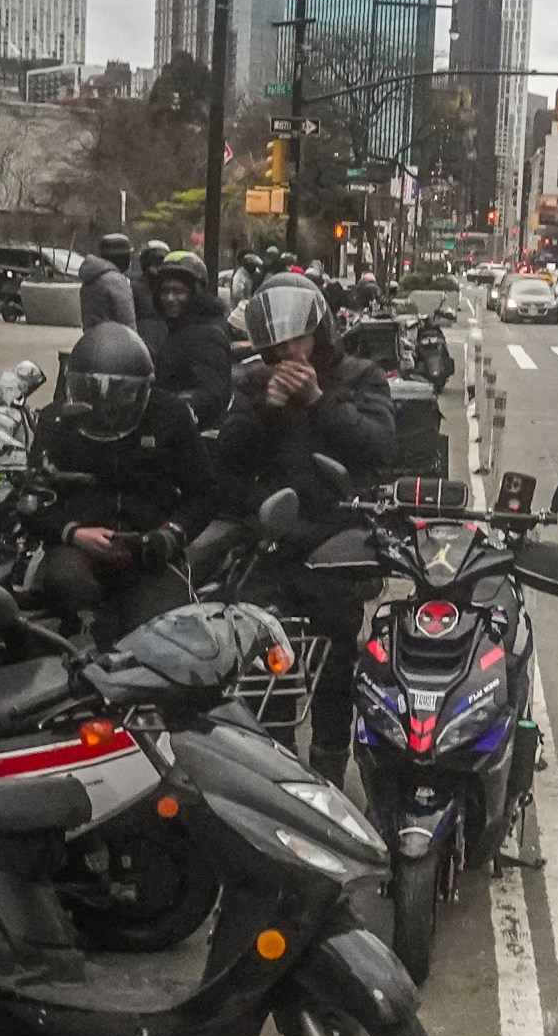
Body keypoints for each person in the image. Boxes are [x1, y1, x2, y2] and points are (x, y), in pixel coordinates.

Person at [216, 276, 397, 783]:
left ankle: (328, 773)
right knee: (263, 661)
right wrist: (264, 410)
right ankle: (271, 772)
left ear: (318, 333)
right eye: (277, 345)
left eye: (297, 341)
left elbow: (379, 448)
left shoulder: (359, 377)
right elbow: (228, 458)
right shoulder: (252, 382)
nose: (288, 352)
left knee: (335, 663)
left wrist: (319, 400)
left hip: (337, 541)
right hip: (272, 542)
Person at [32, 322, 215, 637]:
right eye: (93, 394)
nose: (106, 409)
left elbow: (204, 493)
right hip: (77, 548)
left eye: (120, 396)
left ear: (143, 391)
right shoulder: (57, 421)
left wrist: (169, 535)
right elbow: (33, 498)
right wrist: (72, 533)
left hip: (151, 547)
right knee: (64, 583)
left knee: (158, 627)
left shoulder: (171, 416)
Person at [143, 250, 234, 430]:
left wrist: (172, 407)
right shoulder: (176, 329)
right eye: (165, 291)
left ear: (195, 293)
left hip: (193, 437)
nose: (170, 298)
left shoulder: (208, 335)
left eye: (179, 291)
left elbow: (212, 394)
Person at [79, 232, 137, 332]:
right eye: (128, 255)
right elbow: (126, 317)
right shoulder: (115, 280)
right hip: (115, 339)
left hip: (92, 338)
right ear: (120, 256)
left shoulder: (92, 276)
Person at [129, 238, 170, 343]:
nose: (157, 268)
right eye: (153, 262)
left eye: (160, 262)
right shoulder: (135, 288)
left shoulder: (170, 288)